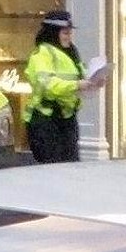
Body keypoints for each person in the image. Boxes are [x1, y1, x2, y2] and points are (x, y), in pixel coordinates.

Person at [24, 10, 102, 164]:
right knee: (53, 169)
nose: (69, 37)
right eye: (65, 33)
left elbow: (81, 76)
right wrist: (77, 85)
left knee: (71, 167)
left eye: (70, 33)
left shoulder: (71, 52)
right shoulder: (42, 54)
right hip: (45, 120)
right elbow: (47, 85)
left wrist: (94, 82)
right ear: (53, 33)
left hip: (66, 119)